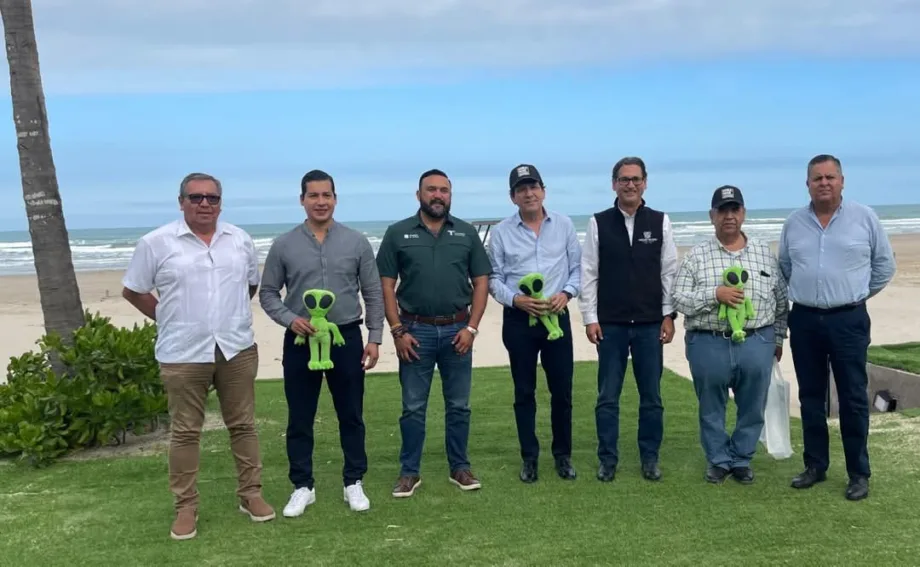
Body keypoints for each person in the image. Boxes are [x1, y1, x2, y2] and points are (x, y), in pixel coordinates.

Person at [121, 172, 275, 541]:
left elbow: (249, 285)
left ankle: (251, 494)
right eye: (196, 198)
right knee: (186, 432)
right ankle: (186, 506)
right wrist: (171, 318)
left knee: (243, 425)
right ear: (181, 202)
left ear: (221, 203)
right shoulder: (156, 243)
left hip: (235, 348)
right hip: (182, 353)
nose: (205, 204)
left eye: (212, 198)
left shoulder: (239, 240)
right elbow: (134, 290)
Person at [259, 169, 385, 516]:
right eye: (313, 196)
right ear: (302, 200)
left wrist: (374, 338)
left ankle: (353, 482)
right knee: (300, 416)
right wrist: (290, 320)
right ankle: (303, 486)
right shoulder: (284, 244)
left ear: (335, 198)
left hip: (345, 336)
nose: (320, 202)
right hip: (301, 339)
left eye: (326, 195)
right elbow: (268, 294)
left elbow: (373, 293)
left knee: (351, 414)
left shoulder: (356, 242)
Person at [779, 154, 896, 501]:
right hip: (804, 319)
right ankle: (815, 466)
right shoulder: (794, 223)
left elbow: (883, 267)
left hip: (849, 319)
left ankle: (858, 473)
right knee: (811, 396)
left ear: (842, 181)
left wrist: (855, 296)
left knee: (853, 398)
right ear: (808, 184)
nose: (824, 183)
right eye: (817, 178)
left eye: (830, 177)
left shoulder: (865, 218)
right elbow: (785, 267)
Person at [376, 168, 492, 498]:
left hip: (459, 331)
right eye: (431, 190)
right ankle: (409, 472)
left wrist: (472, 328)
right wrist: (397, 330)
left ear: (450, 196)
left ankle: (460, 468)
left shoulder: (467, 233)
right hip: (415, 332)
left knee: (459, 405)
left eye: (444, 190)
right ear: (419, 195)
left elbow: (482, 281)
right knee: (413, 407)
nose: (437, 195)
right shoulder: (397, 233)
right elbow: (386, 285)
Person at [672, 185, 789, 484]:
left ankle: (741, 458)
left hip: (756, 340)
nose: (729, 216)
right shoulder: (696, 256)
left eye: (734, 209)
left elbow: (780, 299)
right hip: (708, 341)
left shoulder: (764, 253)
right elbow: (678, 298)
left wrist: (776, 338)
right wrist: (715, 294)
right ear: (712, 216)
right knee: (711, 406)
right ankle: (719, 459)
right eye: (722, 210)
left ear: (743, 213)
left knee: (753, 405)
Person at [579, 157, 679, 482]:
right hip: (611, 325)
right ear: (614, 184)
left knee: (651, 397)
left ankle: (650, 458)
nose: (630, 185)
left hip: (651, 325)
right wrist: (590, 318)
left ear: (645, 183)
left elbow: (669, 272)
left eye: (636, 179)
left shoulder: (660, 221)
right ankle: (608, 459)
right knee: (607, 397)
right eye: (624, 179)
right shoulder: (598, 222)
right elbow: (589, 273)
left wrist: (669, 315)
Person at [487, 164, 582, 483]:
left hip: (557, 318)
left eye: (533, 186)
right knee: (524, 391)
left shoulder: (565, 225)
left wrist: (567, 294)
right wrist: (516, 299)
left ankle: (563, 455)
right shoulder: (500, 232)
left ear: (543, 190)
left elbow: (578, 270)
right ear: (512, 197)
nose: (529, 193)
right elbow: (494, 279)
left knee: (562, 392)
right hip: (519, 321)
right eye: (521, 189)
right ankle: (529, 457)